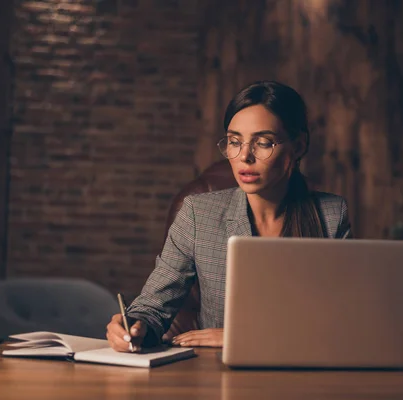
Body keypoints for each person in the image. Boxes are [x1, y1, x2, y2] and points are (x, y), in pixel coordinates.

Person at [106, 80, 352, 352]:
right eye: (235, 141)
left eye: (263, 142)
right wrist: (135, 326)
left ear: (298, 146)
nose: (244, 156)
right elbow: (153, 307)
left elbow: (341, 322)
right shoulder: (199, 214)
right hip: (217, 376)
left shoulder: (330, 215)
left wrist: (247, 336)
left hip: (304, 374)